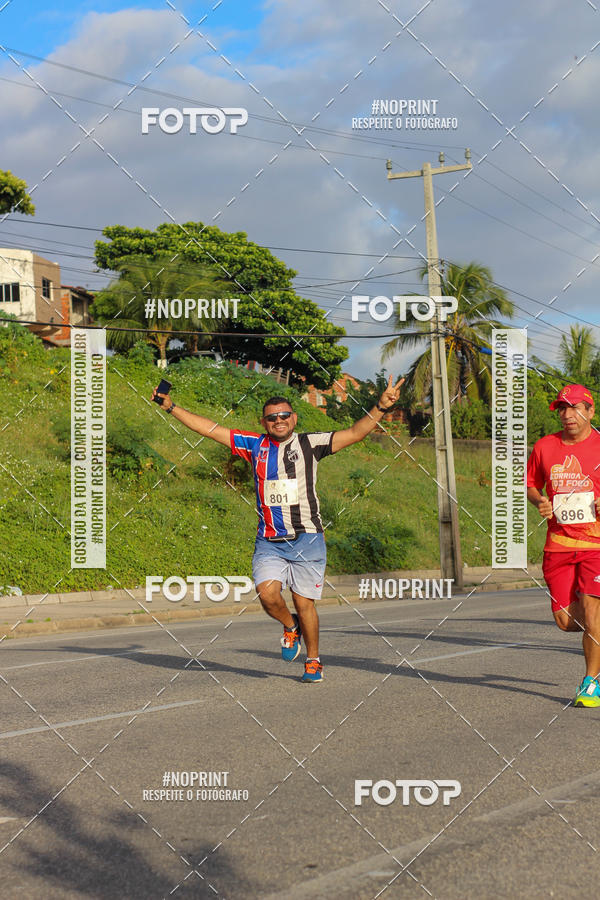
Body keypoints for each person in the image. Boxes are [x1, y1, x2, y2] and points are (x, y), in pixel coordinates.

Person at [151, 375, 404, 683]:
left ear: (294, 418)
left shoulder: (311, 443)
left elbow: (355, 432)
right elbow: (210, 429)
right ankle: (290, 626)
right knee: (267, 595)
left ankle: (313, 660)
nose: (279, 420)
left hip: (307, 537)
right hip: (269, 540)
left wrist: (380, 406)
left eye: (285, 415)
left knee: (303, 601)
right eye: (272, 418)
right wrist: (171, 406)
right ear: (264, 422)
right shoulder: (254, 445)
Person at [526, 383, 600, 707]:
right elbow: (530, 484)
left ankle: (590, 683)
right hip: (557, 545)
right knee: (566, 621)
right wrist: (540, 500)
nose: (568, 415)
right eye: (562, 408)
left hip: (595, 545)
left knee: (593, 613)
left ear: (590, 411)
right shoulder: (545, 447)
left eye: (574, 408)